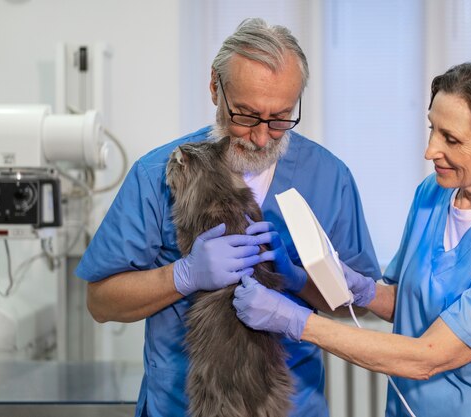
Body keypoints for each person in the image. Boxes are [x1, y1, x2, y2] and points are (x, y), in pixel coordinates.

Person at [75, 18, 380, 417]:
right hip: (182, 406)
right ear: (215, 88)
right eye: (247, 115)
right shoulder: (160, 175)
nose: (261, 136)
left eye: (280, 117)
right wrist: (182, 275)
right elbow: (101, 302)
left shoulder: (329, 177)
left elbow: (360, 304)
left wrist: (301, 282)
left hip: (291, 406)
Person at [234, 59, 471, 417]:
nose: (430, 151)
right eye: (432, 129)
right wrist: (356, 287)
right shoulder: (435, 193)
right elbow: (406, 304)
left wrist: (295, 321)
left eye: (451, 139)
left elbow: (429, 356)